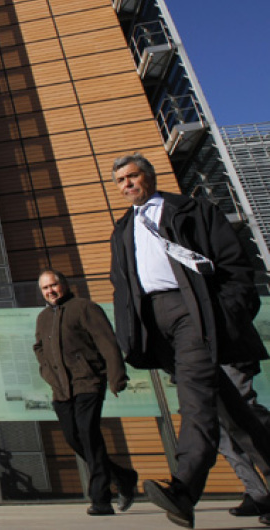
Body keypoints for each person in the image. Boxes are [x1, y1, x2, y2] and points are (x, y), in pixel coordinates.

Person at [109, 153, 268, 528]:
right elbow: (123, 287)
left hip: (193, 312)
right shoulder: (122, 229)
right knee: (234, 412)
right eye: (120, 181)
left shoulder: (191, 210)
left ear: (149, 176)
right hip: (155, 325)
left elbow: (234, 266)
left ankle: (185, 487)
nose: (127, 184)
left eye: (133, 176)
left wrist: (225, 312)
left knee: (195, 399)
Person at [33, 269, 138, 516]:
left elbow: (107, 342)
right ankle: (123, 476)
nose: (50, 291)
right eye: (45, 288)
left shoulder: (84, 308)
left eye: (53, 285)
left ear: (64, 284)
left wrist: (116, 376)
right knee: (74, 438)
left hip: (87, 382)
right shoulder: (43, 317)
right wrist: (47, 372)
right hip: (61, 388)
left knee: (89, 434)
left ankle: (101, 498)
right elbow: (38, 346)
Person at [221, 362, 270, 518]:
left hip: (229, 354)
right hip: (198, 356)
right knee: (218, 423)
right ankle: (256, 493)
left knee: (245, 411)